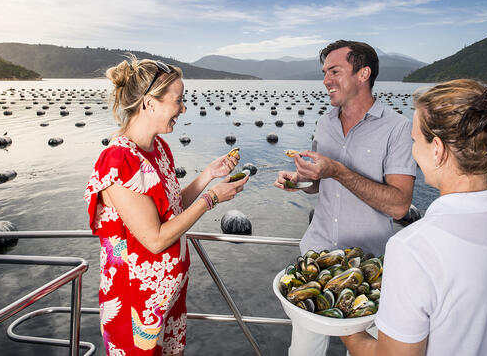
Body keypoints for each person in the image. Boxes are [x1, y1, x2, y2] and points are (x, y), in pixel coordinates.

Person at [341, 77, 487, 356]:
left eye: (414, 140)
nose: (412, 150)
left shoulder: (414, 247)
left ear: (438, 149)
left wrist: (346, 327)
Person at [84, 57, 248, 356]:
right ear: (149, 103)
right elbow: (156, 239)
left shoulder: (158, 148)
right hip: (135, 304)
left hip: (166, 297)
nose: (183, 108)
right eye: (178, 100)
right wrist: (211, 199)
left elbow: (171, 208)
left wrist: (209, 175)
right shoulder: (119, 161)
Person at [274, 40, 416, 355]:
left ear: (363, 73)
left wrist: (337, 171)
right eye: (324, 72)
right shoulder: (324, 122)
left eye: (334, 71)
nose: (325, 80)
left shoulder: (397, 128)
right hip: (314, 260)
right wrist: (300, 181)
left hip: (370, 271)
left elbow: (398, 205)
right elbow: (320, 183)